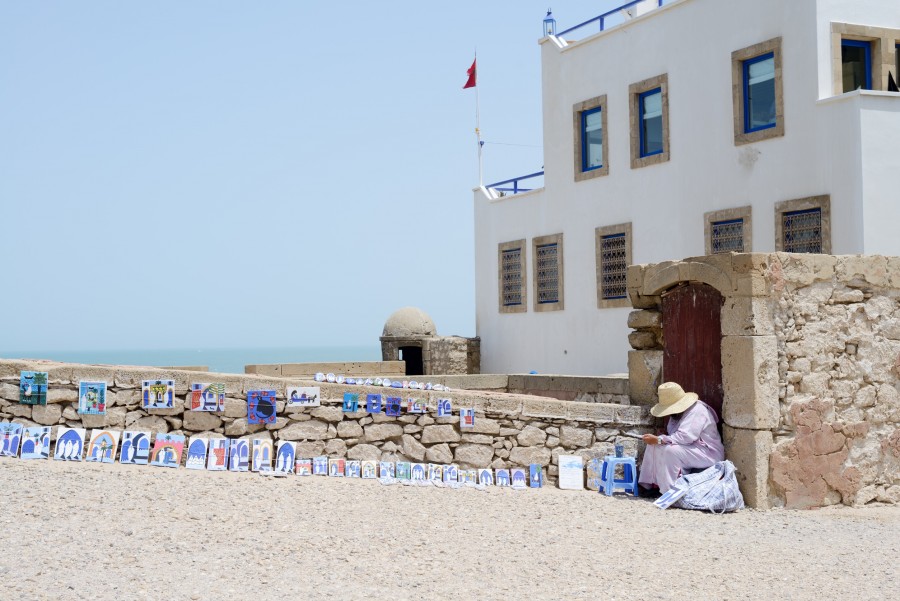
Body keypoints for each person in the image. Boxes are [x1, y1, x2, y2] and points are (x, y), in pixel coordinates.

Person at [638, 382, 725, 495]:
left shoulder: (697, 410)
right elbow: (673, 435)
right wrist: (659, 440)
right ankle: (650, 485)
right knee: (653, 445)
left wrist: (660, 439)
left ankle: (669, 491)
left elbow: (686, 437)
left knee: (671, 451)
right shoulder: (676, 414)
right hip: (690, 448)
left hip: (707, 453)